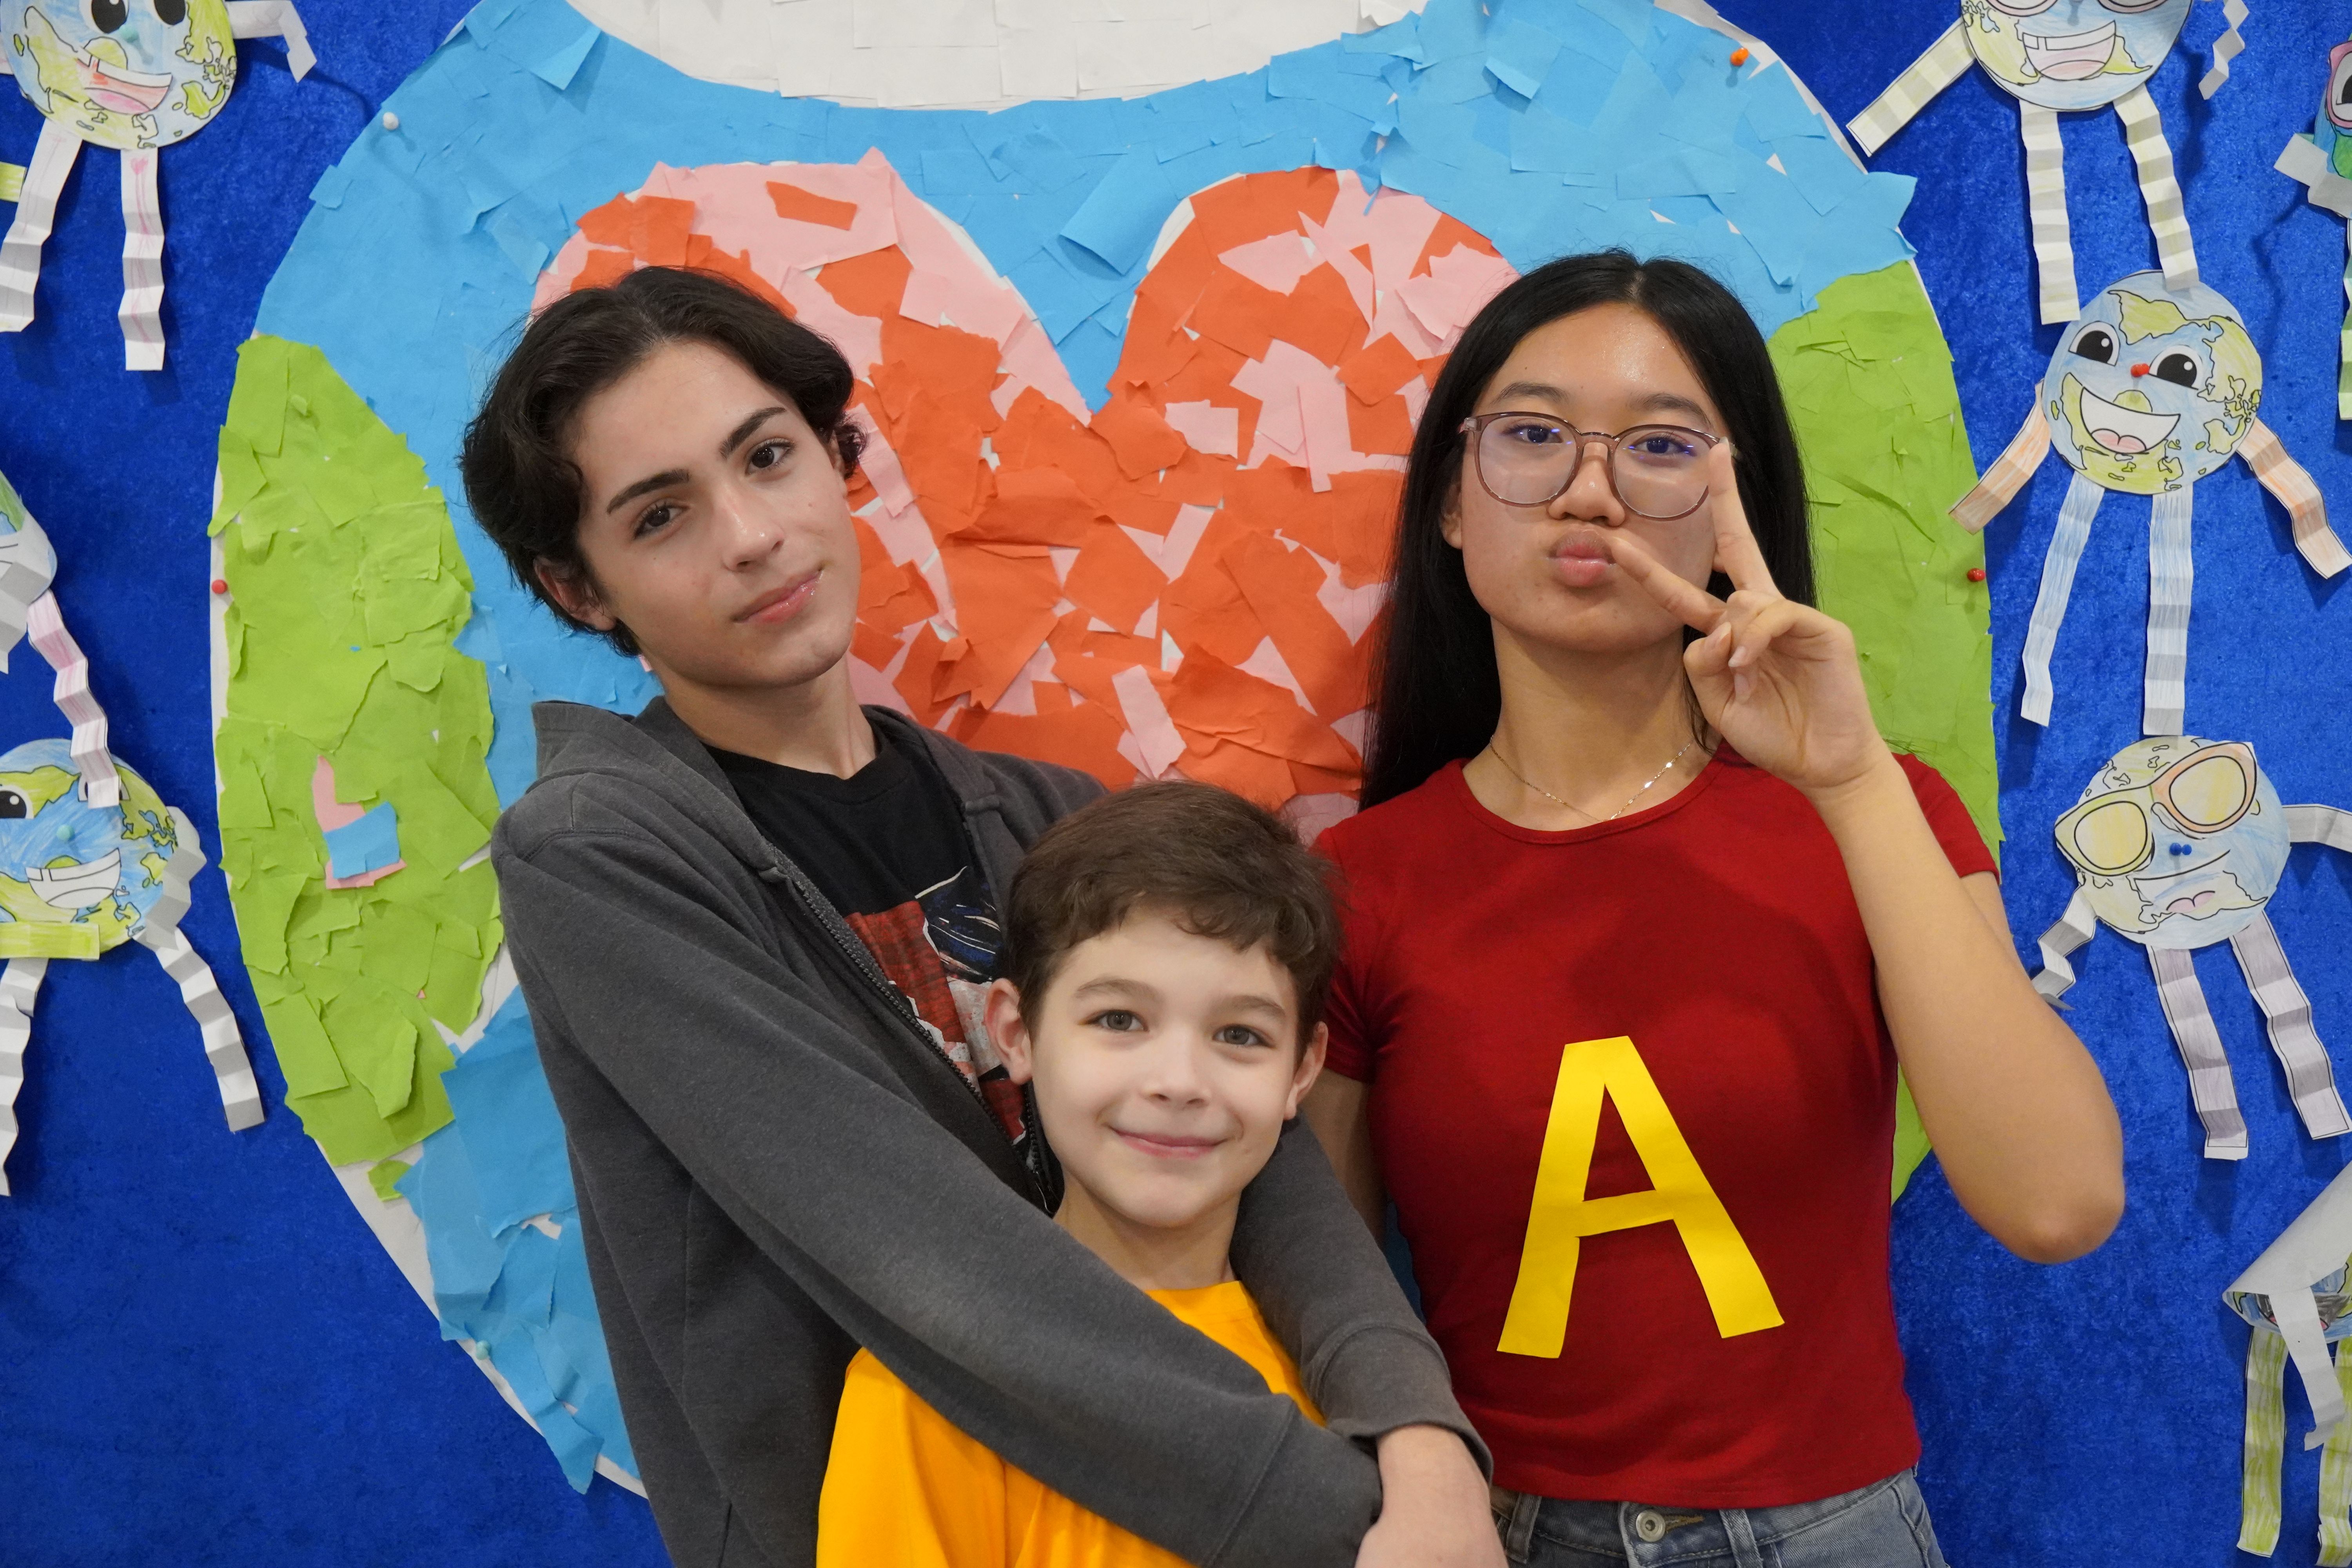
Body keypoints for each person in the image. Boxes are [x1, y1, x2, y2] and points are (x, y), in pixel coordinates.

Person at [462, 264, 1499, 1568]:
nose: (750, 534)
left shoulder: (1043, 816)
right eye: (660, 515)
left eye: (769, 457)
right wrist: (1341, 1522)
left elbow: (1274, 1164)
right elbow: (929, 1261)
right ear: (580, 589)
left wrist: (1418, 1441)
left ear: (833, 461)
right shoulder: (603, 855)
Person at [1299, 250, 2126, 1568]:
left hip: (1837, 1534)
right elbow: (1324, 1314)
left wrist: (1851, 783)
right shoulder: (1357, 885)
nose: (1590, 488)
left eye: (1661, 448)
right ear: (1452, 503)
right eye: (1530, 436)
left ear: (1737, 504)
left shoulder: (1874, 809)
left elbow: (2059, 1203)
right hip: (1496, 1533)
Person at [818, 781, 1348, 1567]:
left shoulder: (1345, 1378)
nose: (1178, 1080)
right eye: (1118, 1019)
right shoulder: (928, 1394)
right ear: (1016, 1031)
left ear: (1302, 1071)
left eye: (1239, 1033)